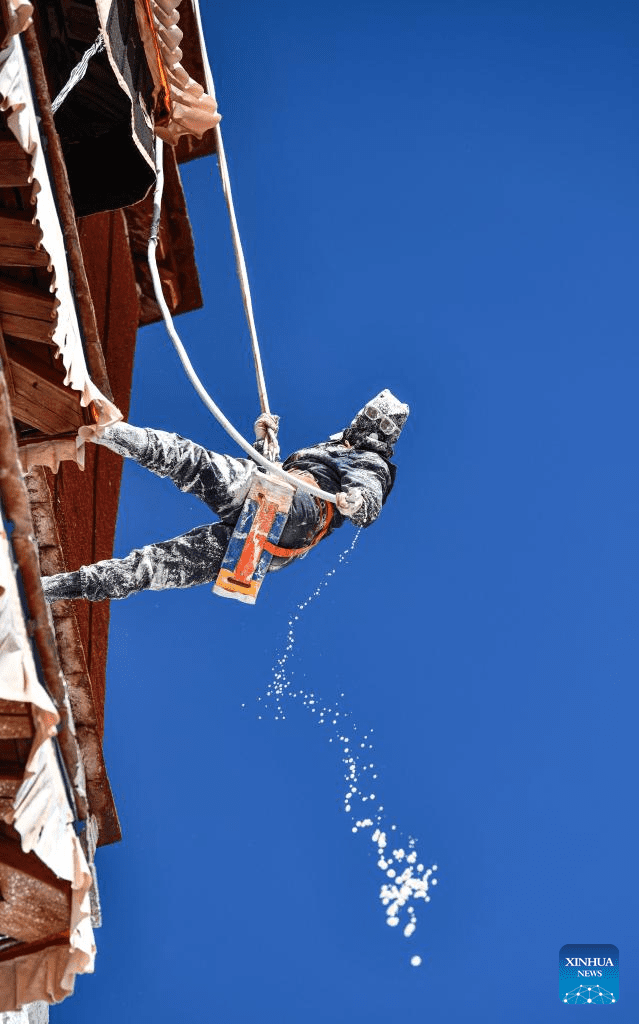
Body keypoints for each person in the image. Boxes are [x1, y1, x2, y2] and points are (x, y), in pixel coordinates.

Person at [41, 389, 409, 603]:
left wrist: (358, 501)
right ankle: (56, 589)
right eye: (373, 415)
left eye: (382, 423)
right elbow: (273, 472)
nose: (373, 424)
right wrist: (264, 444)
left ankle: (107, 431)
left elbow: (370, 489)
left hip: (295, 510)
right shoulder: (329, 448)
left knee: (192, 462)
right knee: (155, 565)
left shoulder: (367, 460)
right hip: (275, 534)